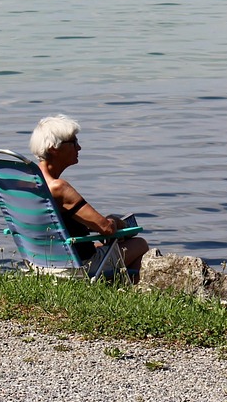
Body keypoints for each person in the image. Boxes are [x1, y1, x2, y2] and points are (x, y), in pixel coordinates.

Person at [30, 114, 149, 280]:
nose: (79, 148)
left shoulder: (28, 184)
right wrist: (115, 221)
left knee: (101, 245)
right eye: (73, 142)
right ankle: (128, 294)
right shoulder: (58, 188)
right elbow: (107, 229)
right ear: (53, 148)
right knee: (139, 244)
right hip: (71, 268)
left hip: (39, 264)